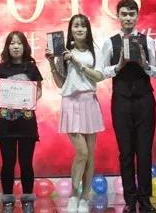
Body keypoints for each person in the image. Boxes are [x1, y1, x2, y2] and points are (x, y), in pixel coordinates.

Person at [100, 0, 156, 213]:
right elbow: (101, 72)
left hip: (144, 101)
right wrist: (119, 66)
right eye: (124, 14)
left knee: (144, 152)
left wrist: (144, 64)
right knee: (126, 153)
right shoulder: (110, 42)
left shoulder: (147, 40)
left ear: (137, 16)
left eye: (132, 14)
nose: (128, 18)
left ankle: (145, 199)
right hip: (122, 101)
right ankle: (130, 200)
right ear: (118, 16)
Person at [45, 14, 104, 213]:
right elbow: (61, 83)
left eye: (83, 26)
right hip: (71, 102)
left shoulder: (94, 50)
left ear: (88, 29)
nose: (79, 29)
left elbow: (99, 76)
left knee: (90, 155)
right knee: (82, 153)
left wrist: (78, 63)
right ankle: (73, 195)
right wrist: (52, 62)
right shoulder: (64, 52)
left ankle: (85, 198)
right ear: (70, 30)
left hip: (89, 102)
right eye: (76, 26)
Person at [0, 31, 43, 213]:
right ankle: (7, 200)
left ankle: (27, 199)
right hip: (6, 123)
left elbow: (39, 91)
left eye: (19, 43)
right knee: (8, 163)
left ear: (25, 46)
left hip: (27, 123)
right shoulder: (0, 68)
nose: (16, 46)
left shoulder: (31, 68)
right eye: (12, 43)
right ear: (7, 47)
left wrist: (30, 99)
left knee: (26, 162)